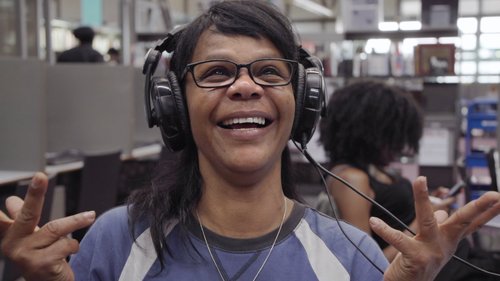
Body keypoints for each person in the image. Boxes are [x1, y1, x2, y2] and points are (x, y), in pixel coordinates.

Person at [1, 1, 499, 281]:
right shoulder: (115, 241)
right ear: (173, 103)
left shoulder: (352, 254)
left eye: (268, 72)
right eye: (216, 72)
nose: (245, 86)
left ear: (301, 103)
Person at [317, 80, 500, 280]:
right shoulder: (350, 178)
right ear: (370, 132)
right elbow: (366, 262)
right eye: (394, 136)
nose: (399, 146)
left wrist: (428, 204)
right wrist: (423, 222)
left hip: (452, 259)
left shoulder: (375, 169)